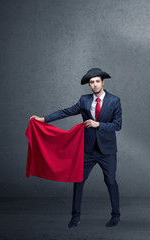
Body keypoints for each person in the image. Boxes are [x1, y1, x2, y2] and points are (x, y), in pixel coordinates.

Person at [31, 68, 122, 227]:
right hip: (87, 150)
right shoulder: (84, 100)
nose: (94, 85)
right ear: (89, 84)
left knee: (110, 180)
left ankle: (116, 215)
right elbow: (66, 112)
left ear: (103, 82)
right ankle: (75, 216)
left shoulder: (114, 101)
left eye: (97, 81)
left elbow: (117, 125)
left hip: (107, 150)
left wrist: (98, 124)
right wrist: (44, 119)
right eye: (91, 82)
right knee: (78, 180)